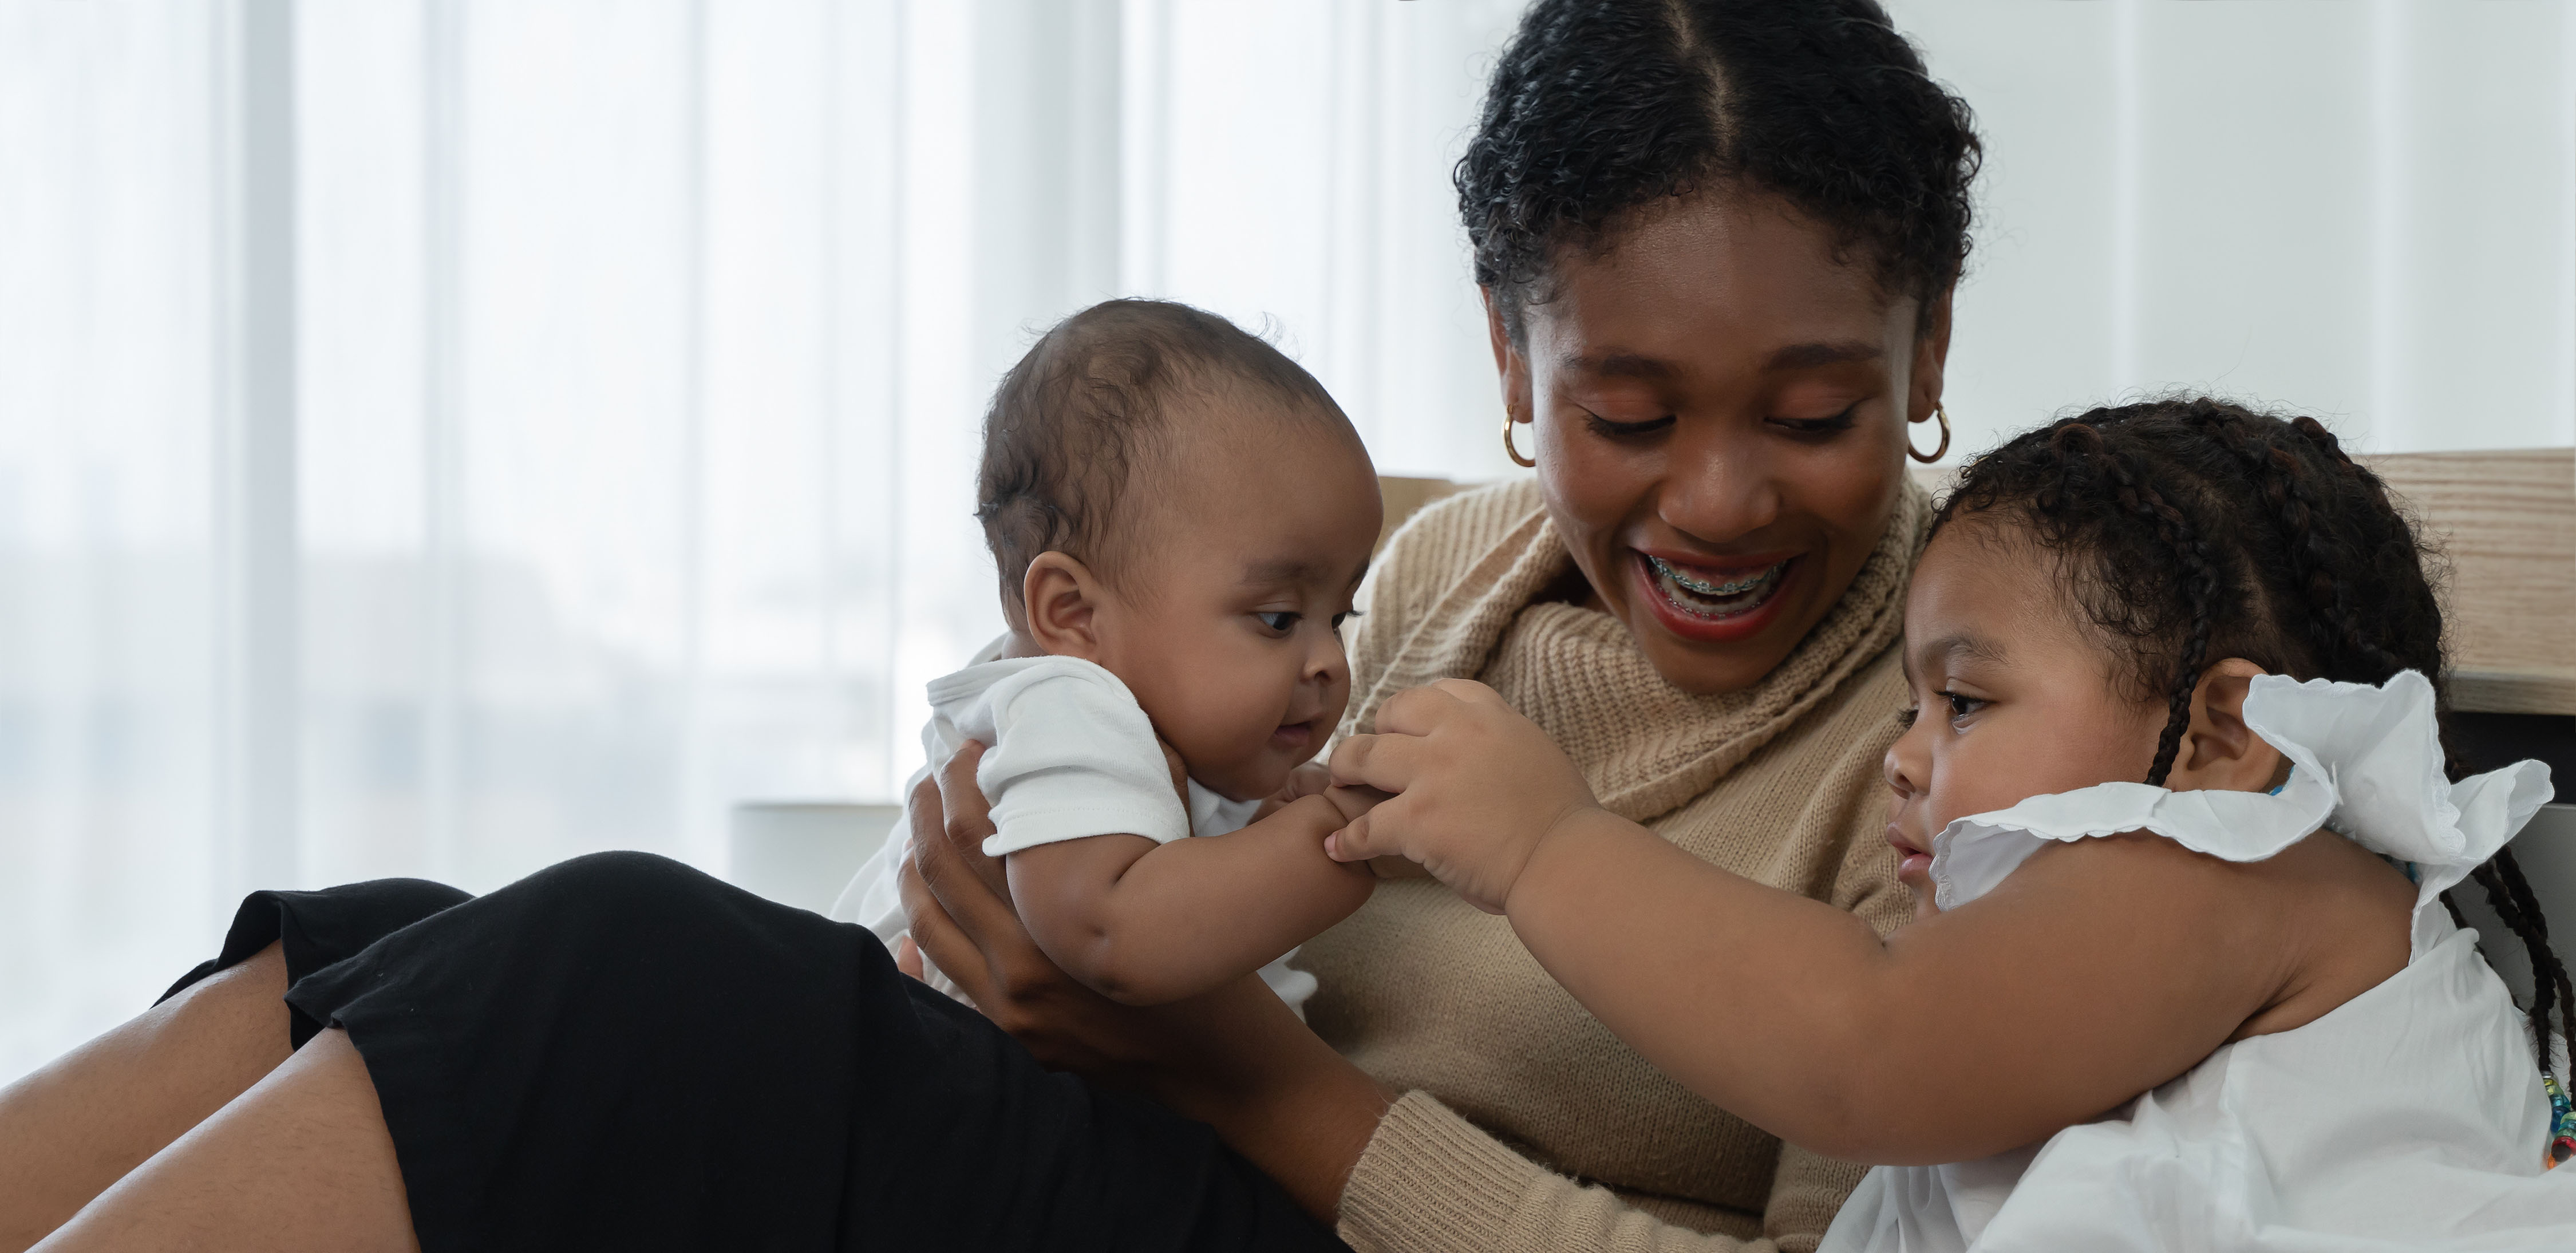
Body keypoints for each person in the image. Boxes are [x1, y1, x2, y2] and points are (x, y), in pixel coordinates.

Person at [1, 2, 1981, 1250]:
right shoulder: (1453, 555)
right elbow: (1132, 582)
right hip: (1150, 1120)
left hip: (1323, 1198)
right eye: (1627, 415)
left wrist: (1250, 1079)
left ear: (1927, 351)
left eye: (1809, 414)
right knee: (408, 936)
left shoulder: (1964, 713)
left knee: (629, 966)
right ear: (1511, 359)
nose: (1716, 500)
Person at [1321, 399, 2576, 1251]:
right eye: (1913, 701)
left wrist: (1548, 845)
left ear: (2217, 734)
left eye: (1965, 701)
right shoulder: (2144, 927)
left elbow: (1865, 1044)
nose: (1905, 756)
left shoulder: (2238, 868)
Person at [835, 298, 1383, 1013]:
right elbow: (1114, 929)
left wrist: (1269, 812)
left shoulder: (1134, 729)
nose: (1329, 663)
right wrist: (1353, 834)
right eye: (1279, 618)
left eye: (1339, 616)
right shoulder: (1065, 704)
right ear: (1072, 614)